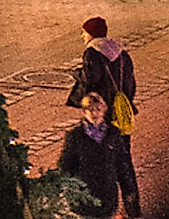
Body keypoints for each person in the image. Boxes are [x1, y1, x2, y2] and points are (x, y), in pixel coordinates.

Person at [70, 16, 141, 216]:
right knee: (125, 161)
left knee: (102, 162)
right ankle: (133, 209)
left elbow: (90, 81)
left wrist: (77, 74)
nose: (82, 35)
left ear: (91, 33)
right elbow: (131, 85)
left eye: (84, 32)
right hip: (121, 115)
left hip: (103, 116)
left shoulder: (92, 53)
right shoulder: (121, 53)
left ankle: (103, 208)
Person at [55, 94, 130, 219]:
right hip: (85, 194)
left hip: (107, 193)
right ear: (84, 112)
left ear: (104, 111)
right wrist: (67, 190)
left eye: (98, 109)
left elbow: (121, 164)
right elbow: (66, 165)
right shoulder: (75, 136)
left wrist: (128, 189)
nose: (94, 113)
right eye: (90, 110)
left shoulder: (113, 134)